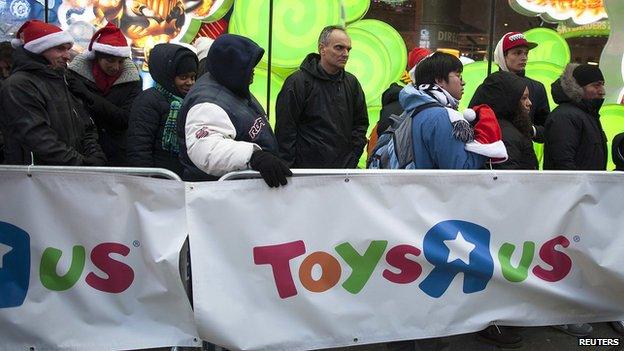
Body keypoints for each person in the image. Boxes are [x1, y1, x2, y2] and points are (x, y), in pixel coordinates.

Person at [177, 34, 291, 187]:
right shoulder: (207, 102)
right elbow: (207, 149)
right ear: (233, 67)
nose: (253, 72)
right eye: (249, 67)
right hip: (220, 194)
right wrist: (253, 156)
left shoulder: (230, 85)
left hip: (241, 190)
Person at [369, 52, 507, 170]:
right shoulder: (439, 116)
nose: (463, 82)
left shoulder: (415, 110)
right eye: (458, 75)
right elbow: (460, 169)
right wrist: (485, 142)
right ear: (440, 80)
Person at [0, 20, 105, 166]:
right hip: (37, 179)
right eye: (60, 49)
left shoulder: (63, 80)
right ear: (38, 49)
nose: (67, 56)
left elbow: (86, 125)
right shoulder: (18, 85)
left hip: (68, 174)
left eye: (68, 49)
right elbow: (39, 140)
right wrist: (82, 164)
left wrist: (94, 154)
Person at [275, 25, 368, 168]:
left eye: (348, 49)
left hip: (342, 173)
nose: (345, 53)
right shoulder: (298, 82)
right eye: (339, 48)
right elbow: (285, 129)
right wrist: (290, 168)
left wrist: (352, 157)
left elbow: (360, 124)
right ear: (322, 49)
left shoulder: (352, 83)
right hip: (305, 173)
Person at [67, 22, 142, 166]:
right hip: (82, 152)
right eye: (110, 60)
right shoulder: (75, 76)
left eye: (120, 62)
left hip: (118, 154)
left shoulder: (132, 81)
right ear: (97, 57)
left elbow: (124, 119)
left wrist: (88, 95)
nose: (116, 67)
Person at [127, 43, 197, 176]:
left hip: (182, 179)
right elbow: (139, 148)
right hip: (158, 181)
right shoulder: (148, 101)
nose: (190, 82)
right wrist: (147, 181)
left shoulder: (191, 102)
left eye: (193, 77)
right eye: (183, 77)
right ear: (168, 76)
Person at [544, 64, 607, 172]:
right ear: (579, 88)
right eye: (596, 85)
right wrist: (580, 187)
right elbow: (563, 162)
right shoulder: (565, 116)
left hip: (587, 186)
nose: (602, 91)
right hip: (573, 187)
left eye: (602, 85)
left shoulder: (588, 115)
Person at [470, 71, 537, 169]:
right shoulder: (505, 135)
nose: (529, 103)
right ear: (509, 101)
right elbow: (507, 179)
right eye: (524, 98)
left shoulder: (496, 128)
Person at [493, 31, 549, 141]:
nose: (524, 57)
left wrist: (531, 130)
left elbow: (547, 129)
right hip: (493, 151)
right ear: (503, 56)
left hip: (523, 152)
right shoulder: (492, 85)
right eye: (517, 53)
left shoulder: (536, 88)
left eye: (526, 53)